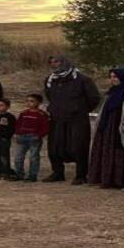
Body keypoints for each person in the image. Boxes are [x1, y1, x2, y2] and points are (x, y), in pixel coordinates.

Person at [42, 55, 101, 184]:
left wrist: (79, 109)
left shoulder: (82, 79)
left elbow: (94, 98)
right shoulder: (50, 80)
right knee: (55, 147)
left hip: (77, 119)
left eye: (56, 61)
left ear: (65, 62)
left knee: (79, 146)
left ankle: (80, 175)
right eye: (51, 62)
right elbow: (49, 96)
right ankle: (58, 173)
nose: (54, 64)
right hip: (57, 118)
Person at [88, 68, 124, 188]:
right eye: (111, 76)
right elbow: (105, 109)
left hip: (120, 125)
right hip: (108, 125)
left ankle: (117, 180)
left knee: (119, 151)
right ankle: (104, 178)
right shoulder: (113, 91)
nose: (112, 79)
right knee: (105, 150)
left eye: (115, 77)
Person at [13, 93, 50, 182]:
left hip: (34, 138)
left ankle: (32, 176)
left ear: (39, 103)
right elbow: (18, 124)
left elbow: (46, 127)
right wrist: (17, 133)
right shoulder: (24, 113)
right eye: (28, 101)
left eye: (32, 101)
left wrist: (39, 135)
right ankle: (19, 174)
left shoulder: (42, 114)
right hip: (22, 137)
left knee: (33, 157)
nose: (29, 103)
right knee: (18, 157)